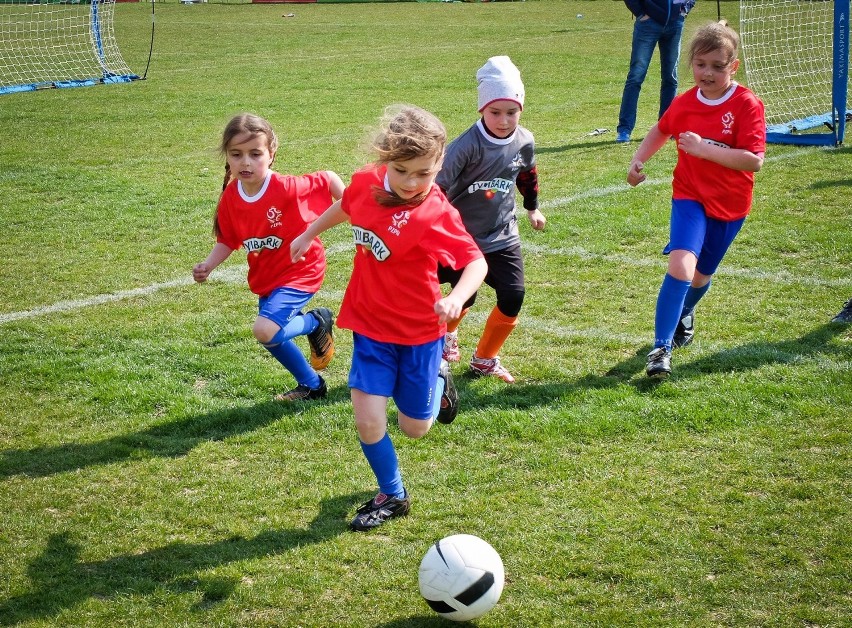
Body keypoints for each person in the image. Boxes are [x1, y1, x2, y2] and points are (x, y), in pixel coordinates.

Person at [290, 105, 487, 531]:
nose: (413, 183)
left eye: (425, 173)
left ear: (439, 165)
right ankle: (393, 494)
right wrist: (308, 233)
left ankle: (438, 379)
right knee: (368, 420)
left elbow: (476, 263)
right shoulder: (364, 182)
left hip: (419, 333)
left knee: (414, 428)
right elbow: (347, 207)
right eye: (402, 171)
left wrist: (456, 297)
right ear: (383, 160)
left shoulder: (435, 212)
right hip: (370, 326)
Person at [626, 21, 766, 378]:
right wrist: (638, 160)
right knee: (681, 266)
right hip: (689, 197)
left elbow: (753, 160)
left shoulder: (747, 104)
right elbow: (661, 129)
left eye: (718, 66)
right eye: (701, 64)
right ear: (691, 63)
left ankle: (683, 313)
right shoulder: (685, 103)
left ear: (733, 66)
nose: (708, 73)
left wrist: (703, 149)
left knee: (701, 275)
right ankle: (660, 348)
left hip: (731, 205)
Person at [193, 113, 344, 400]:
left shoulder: (287, 188)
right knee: (272, 338)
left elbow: (327, 179)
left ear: (271, 155)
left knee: (265, 330)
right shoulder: (231, 197)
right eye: (236, 154)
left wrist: (354, 205)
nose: (245, 162)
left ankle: (316, 322)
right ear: (227, 156)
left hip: (302, 270)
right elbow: (228, 239)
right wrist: (209, 264)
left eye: (255, 154)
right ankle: (312, 386)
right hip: (268, 275)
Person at [435, 56, 546, 384]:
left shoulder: (524, 140)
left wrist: (532, 207)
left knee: (513, 295)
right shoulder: (466, 146)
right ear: (482, 109)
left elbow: (527, 173)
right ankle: (444, 335)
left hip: (501, 232)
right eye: (495, 112)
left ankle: (484, 359)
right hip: (462, 237)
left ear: (521, 110)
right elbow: (438, 187)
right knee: (463, 295)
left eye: (511, 112)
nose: (503, 120)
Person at [616, 0, 697, 143]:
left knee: (671, 77)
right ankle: (624, 130)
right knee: (636, 77)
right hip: (648, 24)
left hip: (675, 23)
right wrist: (640, 12)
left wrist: (684, 8)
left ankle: (667, 127)